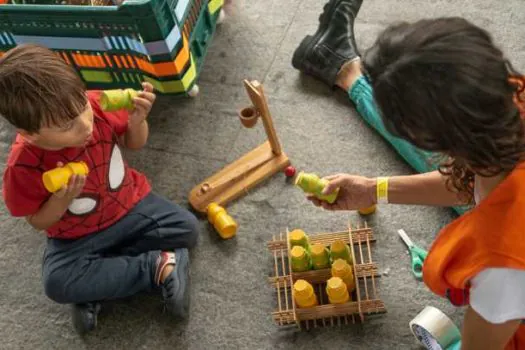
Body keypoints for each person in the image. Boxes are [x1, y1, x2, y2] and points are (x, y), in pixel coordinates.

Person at [292, 0, 525, 349]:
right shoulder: (508, 96)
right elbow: (471, 183)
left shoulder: (503, 266)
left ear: (436, 142)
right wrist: (374, 189)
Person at [0, 44, 199, 335]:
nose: (85, 126)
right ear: (30, 134)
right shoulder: (22, 167)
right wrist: (60, 200)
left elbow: (135, 143)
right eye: (68, 125)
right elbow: (37, 220)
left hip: (129, 207)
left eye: (81, 105)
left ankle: (97, 283)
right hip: (76, 236)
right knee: (57, 283)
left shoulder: (96, 106)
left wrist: (137, 122)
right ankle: (157, 266)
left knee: (187, 229)